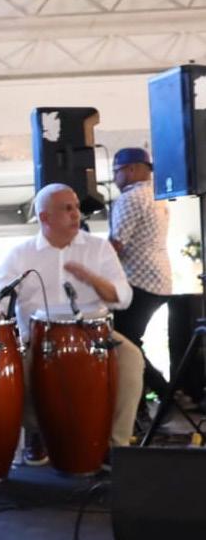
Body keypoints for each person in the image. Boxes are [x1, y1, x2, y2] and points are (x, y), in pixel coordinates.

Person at [0, 183, 144, 464]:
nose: (76, 214)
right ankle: (36, 432)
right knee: (11, 368)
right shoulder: (21, 253)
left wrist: (91, 279)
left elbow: (122, 298)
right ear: (44, 217)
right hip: (38, 337)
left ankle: (115, 445)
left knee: (131, 359)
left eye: (76, 207)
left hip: (94, 333)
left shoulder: (99, 248)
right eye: (67, 208)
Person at [108, 147, 172, 419]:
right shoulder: (157, 196)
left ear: (131, 169)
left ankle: (163, 393)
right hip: (160, 278)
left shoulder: (131, 198)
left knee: (123, 344)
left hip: (138, 279)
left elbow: (116, 244)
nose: (114, 178)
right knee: (131, 341)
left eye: (116, 172)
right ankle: (142, 405)